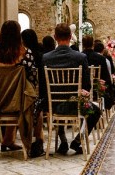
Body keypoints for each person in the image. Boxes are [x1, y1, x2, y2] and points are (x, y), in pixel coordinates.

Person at [42, 23, 101, 155]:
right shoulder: (80, 57)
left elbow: (43, 86)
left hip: (54, 106)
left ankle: (63, 141)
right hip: (75, 105)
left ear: (55, 37)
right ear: (70, 37)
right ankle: (77, 141)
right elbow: (87, 86)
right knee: (96, 111)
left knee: (58, 102)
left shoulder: (46, 58)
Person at [0, 20, 38, 153]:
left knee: (13, 93)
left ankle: (8, 140)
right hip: (18, 103)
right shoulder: (26, 53)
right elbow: (32, 78)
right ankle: (36, 142)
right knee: (28, 95)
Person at [21, 28, 46, 157]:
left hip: (23, 94)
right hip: (38, 93)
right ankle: (39, 140)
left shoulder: (23, 56)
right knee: (38, 106)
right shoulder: (41, 56)